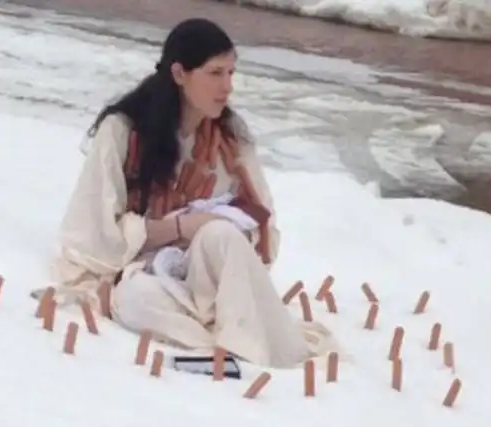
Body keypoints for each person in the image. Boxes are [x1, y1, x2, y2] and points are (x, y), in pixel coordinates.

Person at [39, 18, 335, 368]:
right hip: (144, 271)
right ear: (180, 74)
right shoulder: (123, 131)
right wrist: (179, 227)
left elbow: (263, 222)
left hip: (207, 265)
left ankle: (248, 341)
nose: (227, 86)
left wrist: (225, 225)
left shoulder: (230, 135)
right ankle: (235, 342)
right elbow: (92, 236)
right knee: (137, 298)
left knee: (220, 234)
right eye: (215, 73)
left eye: (231, 73)